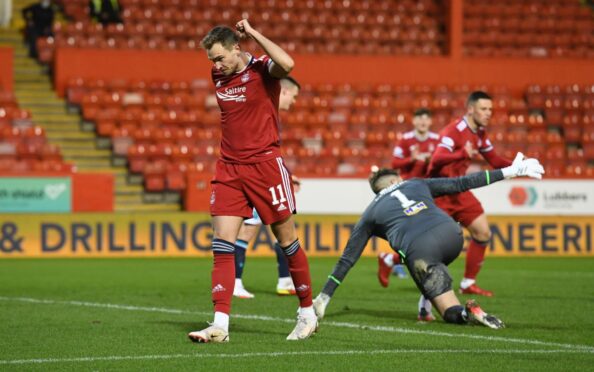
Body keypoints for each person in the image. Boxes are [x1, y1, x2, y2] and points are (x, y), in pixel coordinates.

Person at [188, 20, 317, 343]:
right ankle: (220, 324)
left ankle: (306, 313)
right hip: (229, 168)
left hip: (265, 167)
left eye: (219, 58)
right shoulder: (219, 74)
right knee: (221, 245)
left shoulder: (262, 69)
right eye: (211, 61)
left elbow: (288, 64)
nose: (216, 66)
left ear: (236, 48)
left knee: (287, 241)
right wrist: (221, 63)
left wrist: (255, 34)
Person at [313, 154, 544, 328]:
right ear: (398, 179)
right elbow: (462, 183)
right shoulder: (415, 183)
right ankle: (435, 307)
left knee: (444, 305)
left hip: (421, 252)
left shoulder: (369, 214)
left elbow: (347, 260)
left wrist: (323, 298)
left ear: (377, 191)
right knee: (432, 264)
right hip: (452, 236)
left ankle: (460, 312)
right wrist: (511, 170)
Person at [426, 91, 511, 297]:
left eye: (490, 109)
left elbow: (495, 160)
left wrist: (518, 166)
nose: (488, 113)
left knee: (482, 232)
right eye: (484, 109)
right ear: (471, 109)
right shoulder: (454, 130)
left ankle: (468, 283)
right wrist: (462, 153)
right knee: (435, 248)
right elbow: (436, 159)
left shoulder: (480, 133)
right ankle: (391, 260)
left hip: (459, 190)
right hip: (440, 190)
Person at [233, 76, 301, 299]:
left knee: (281, 227)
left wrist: (287, 176)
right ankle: (234, 282)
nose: (294, 102)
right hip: (256, 177)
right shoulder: (264, 112)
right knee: (248, 229)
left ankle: (284, 280)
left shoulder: (270, 113)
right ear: (285, 92)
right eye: (294, 96)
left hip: (265, 176)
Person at [380, 108, 440, 289]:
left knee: (426, 233)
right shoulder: (406, 139)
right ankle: (395, 260)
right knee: (411, 232)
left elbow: (442, 162)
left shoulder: (436, 140)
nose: (422, 122)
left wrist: (432, 162)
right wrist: (411, 160)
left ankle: (392, 259)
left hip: (428, 191)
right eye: (419, 118)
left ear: (430, 122)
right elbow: (395, 163)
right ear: (414, 121)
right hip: (408, 191)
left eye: (426, 118)